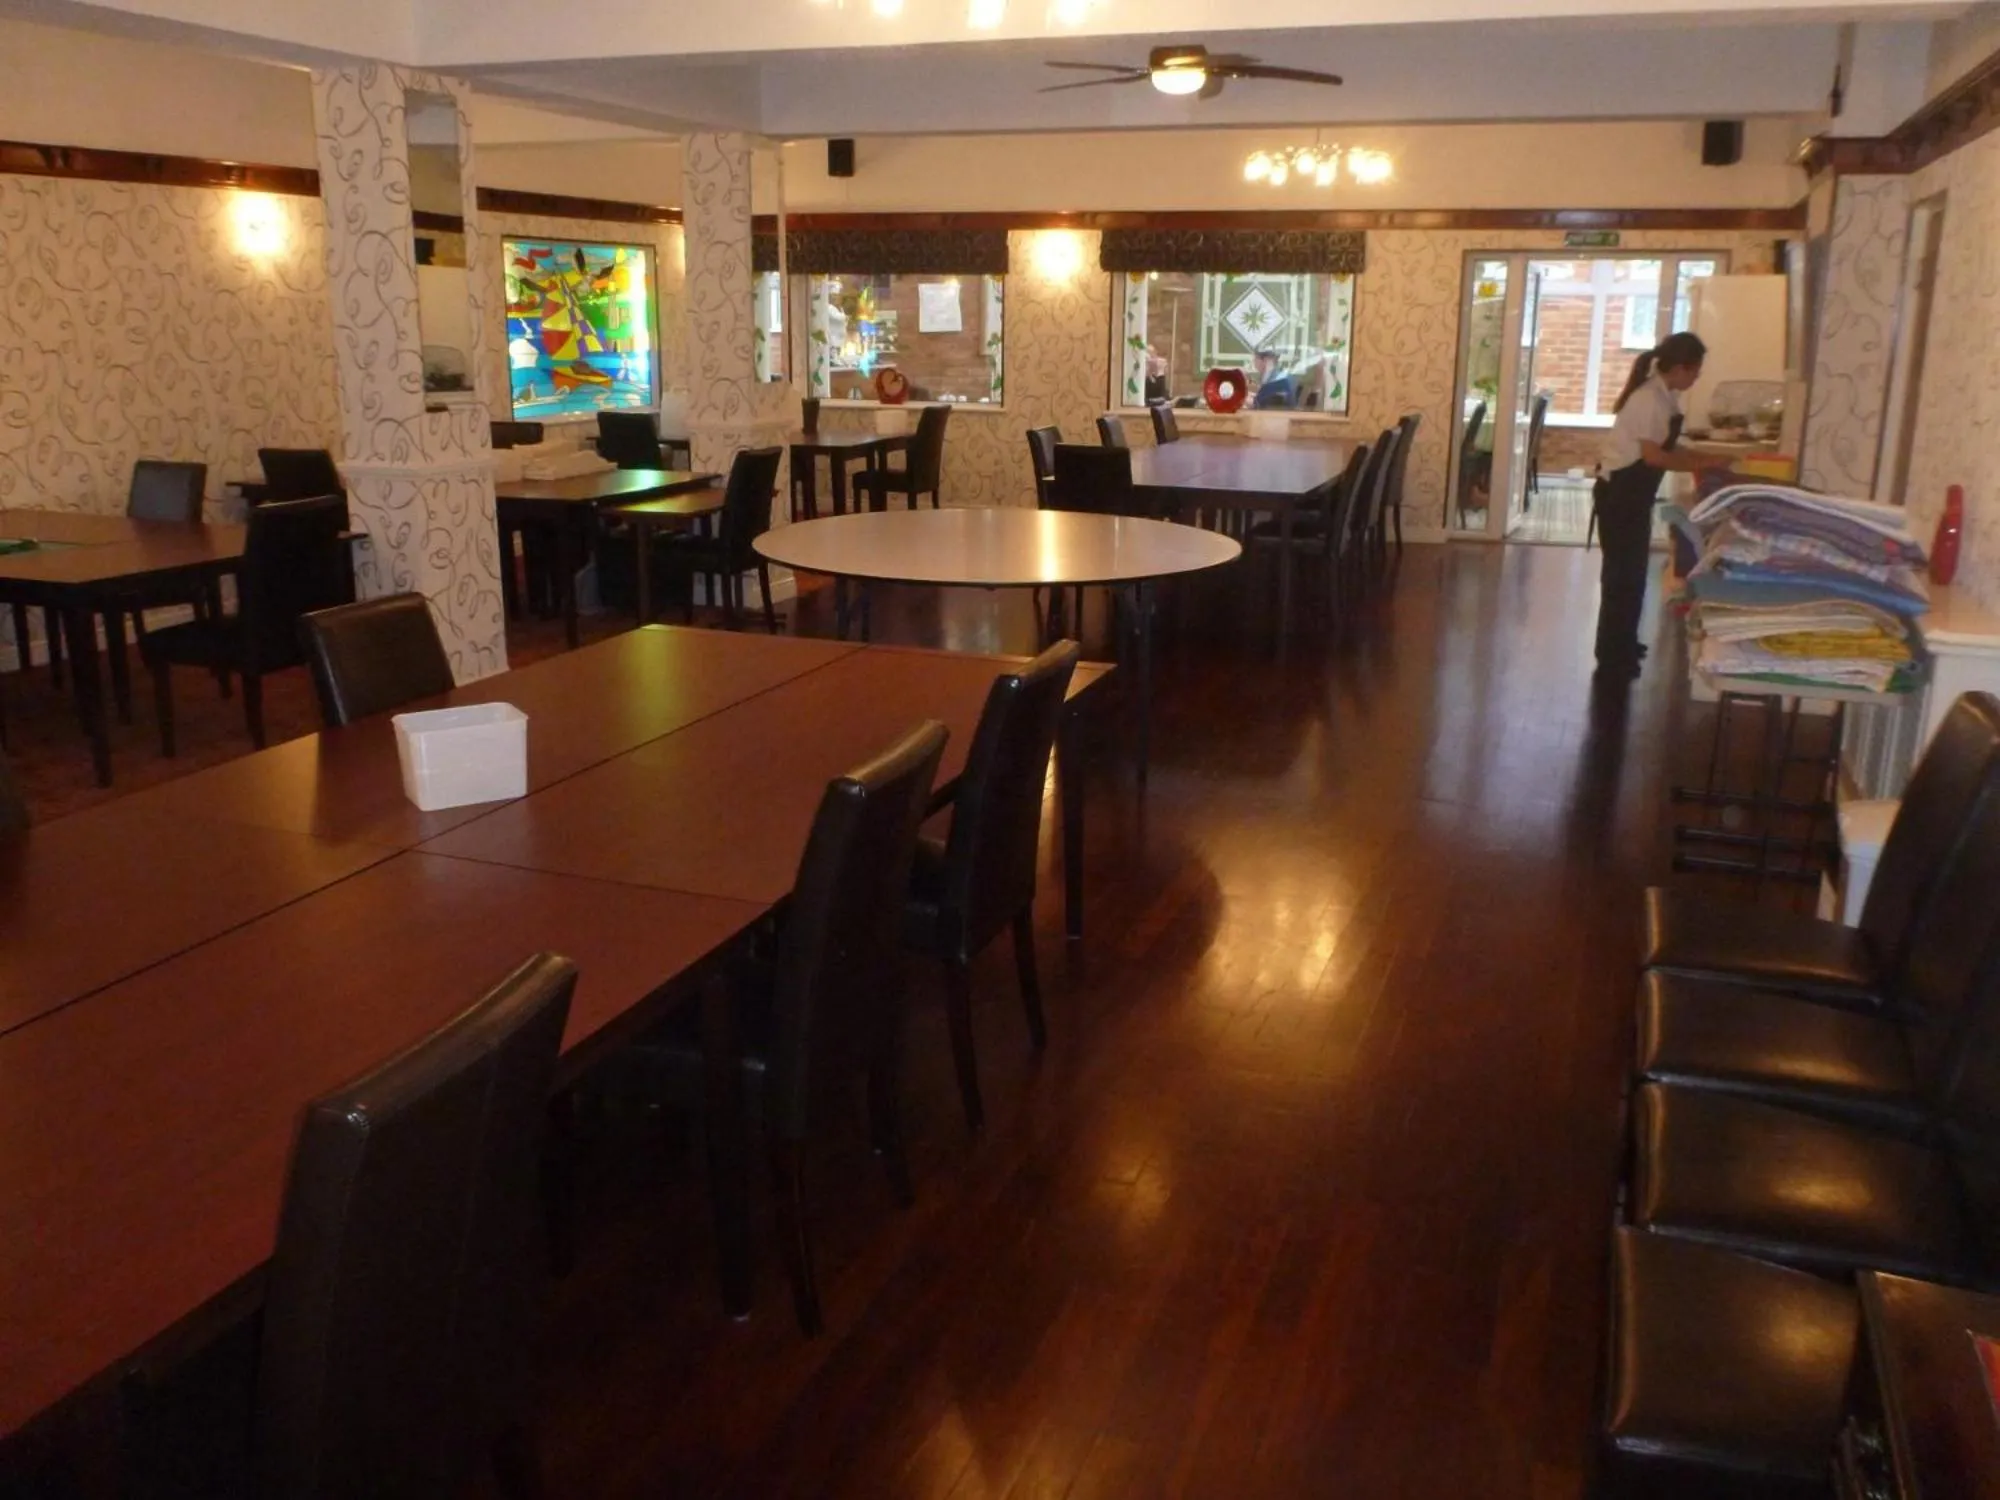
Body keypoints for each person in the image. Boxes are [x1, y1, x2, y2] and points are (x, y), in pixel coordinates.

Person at [1594, 331, 1730, 682]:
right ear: (1682, 368)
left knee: (1632, 573)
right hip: (1620, 494)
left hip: (1632, 494)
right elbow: (1655, 457)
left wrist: (1708, 459)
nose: (1697, 378)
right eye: (1696, 371)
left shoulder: (1663, 396)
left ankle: (1622, 643)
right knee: (1622, 576)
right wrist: (1702, 465)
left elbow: (1668, 449)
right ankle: (1612, 654)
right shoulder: (1648, 400)